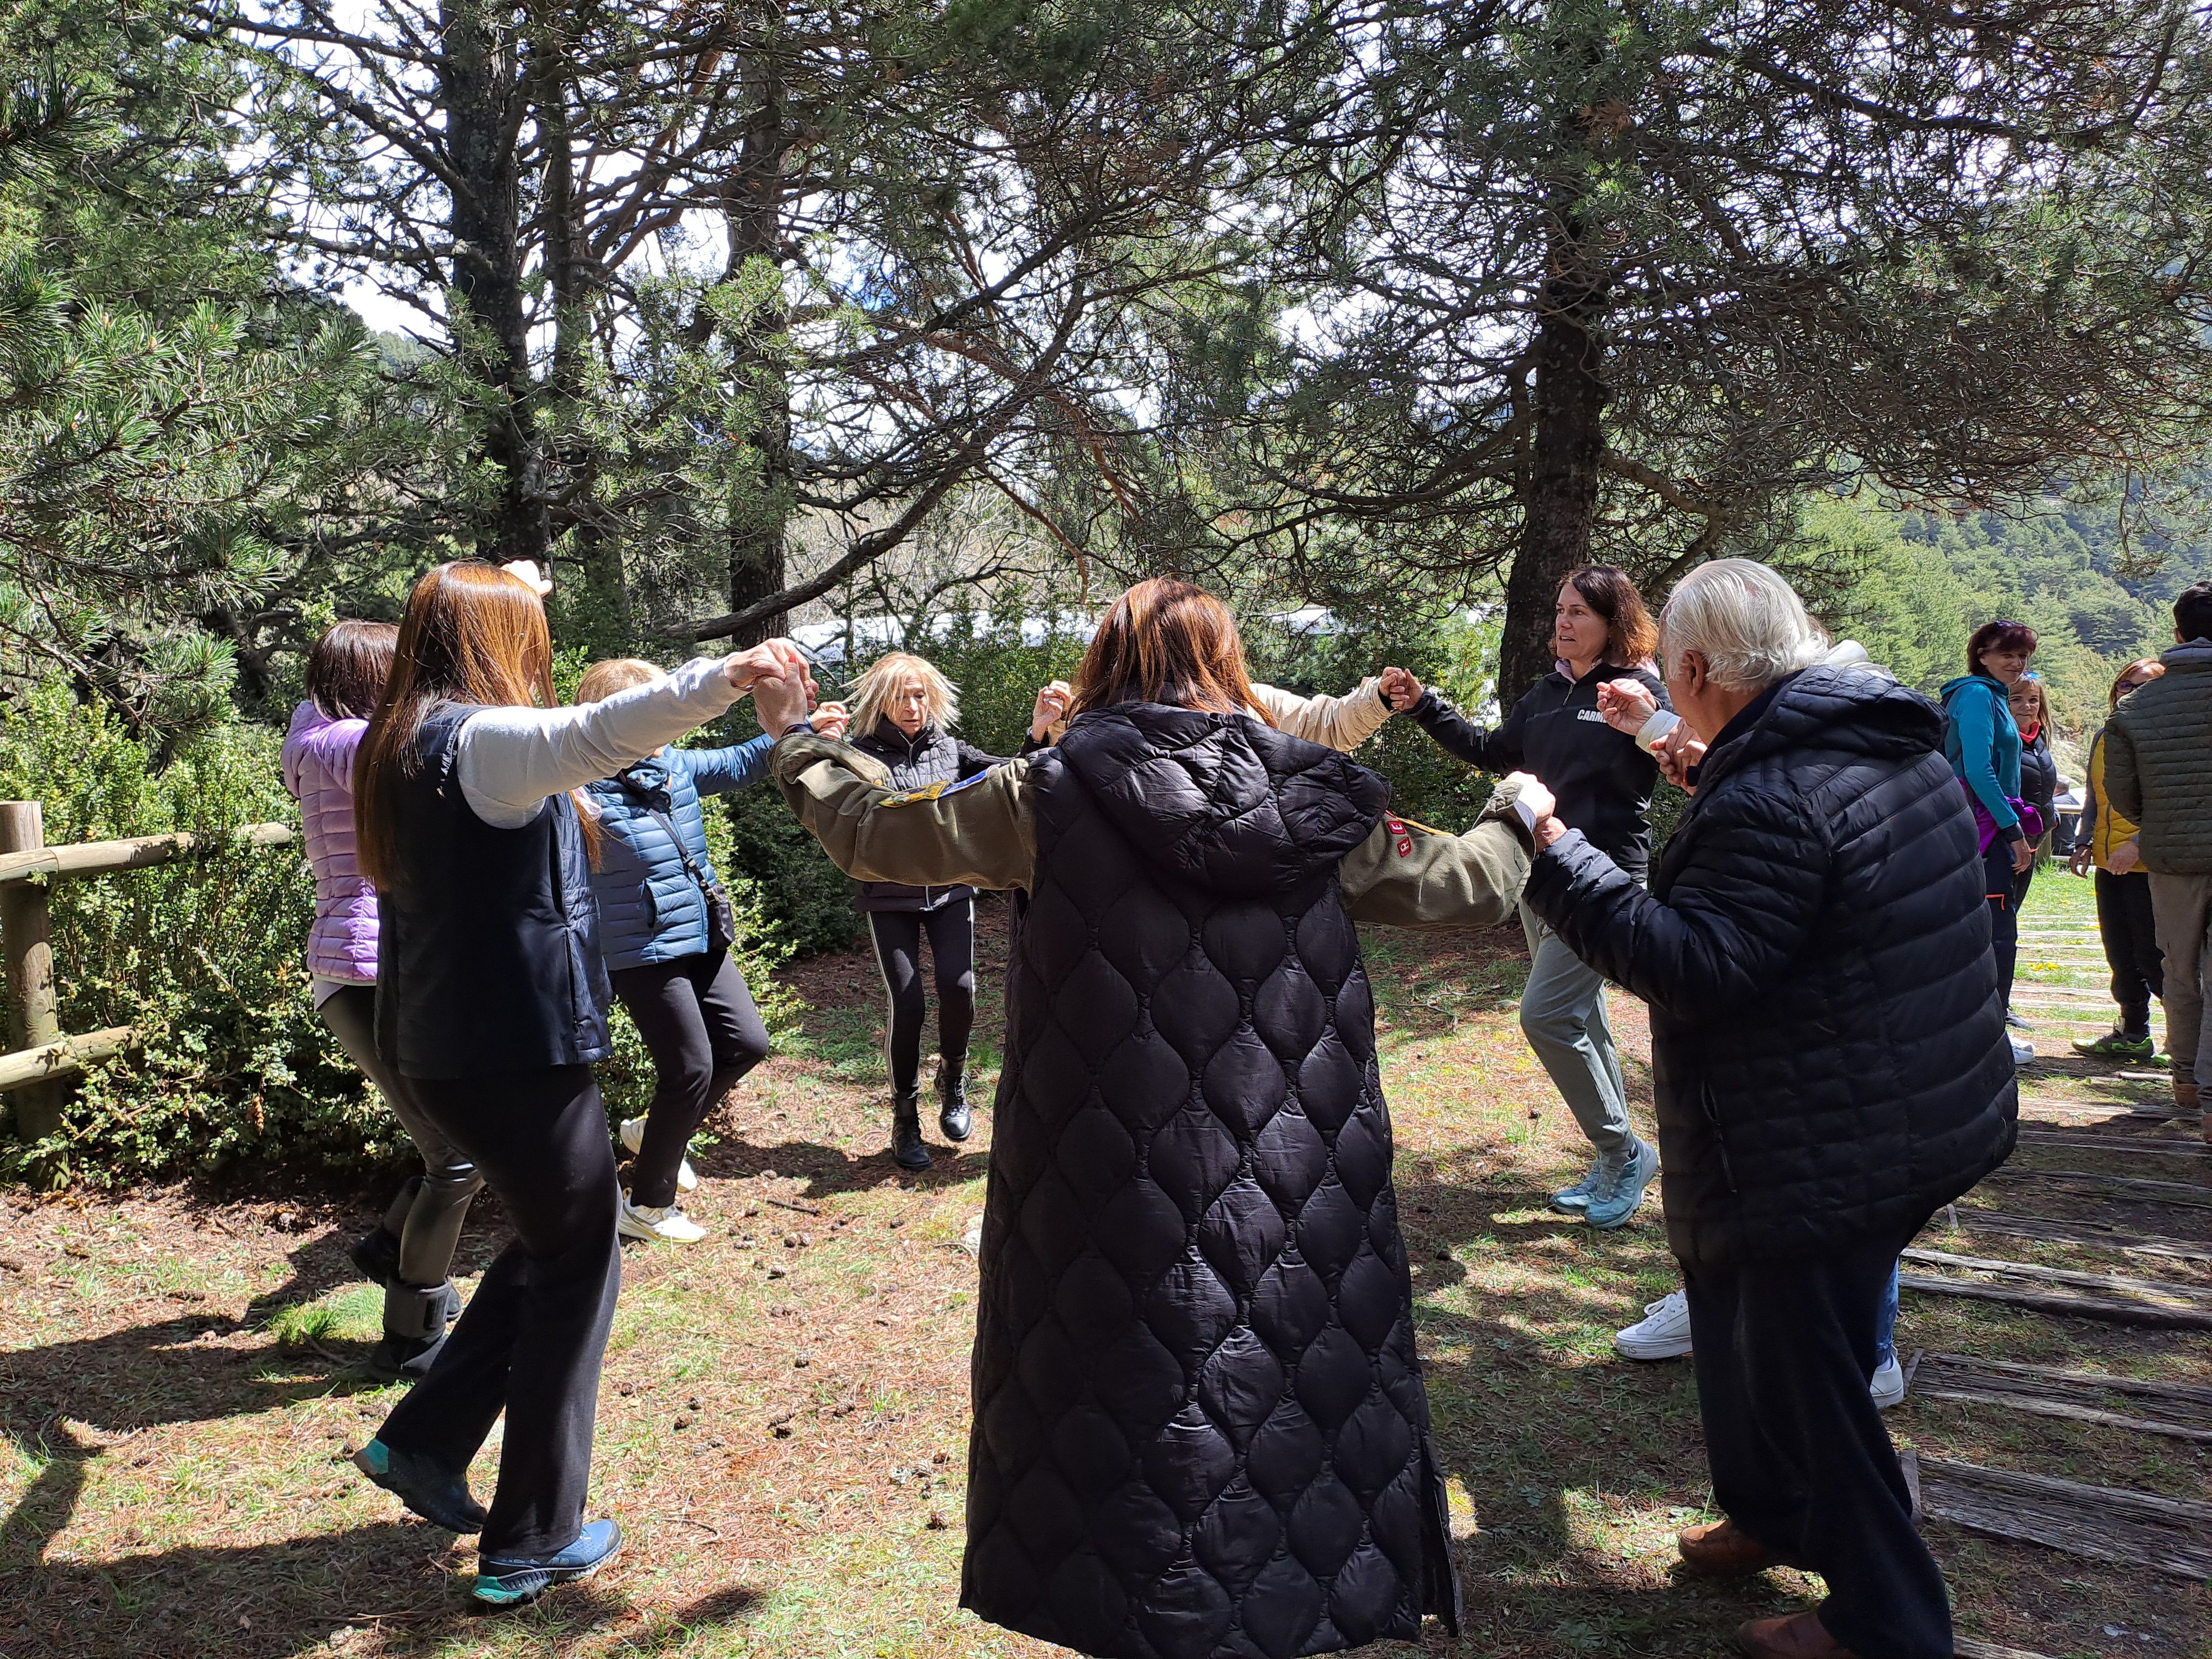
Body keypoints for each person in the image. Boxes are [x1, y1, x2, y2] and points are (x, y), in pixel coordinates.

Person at [760, 577, 1543, 1659]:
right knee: (1279, 1393)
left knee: (1116, 1405)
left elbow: (881, 838)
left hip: (1098, 1181)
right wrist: (1517, 815)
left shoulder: (1048, 789)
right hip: (1292, 1177)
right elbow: (1465, 882)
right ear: (1228, 665)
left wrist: (800, 739)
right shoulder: (1320, 798)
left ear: (1101, 668)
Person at [1521, 560, 2016, 1659]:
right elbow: (1788, 842)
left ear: (1694, 667)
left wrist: (1555, 856)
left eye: (1673, 683)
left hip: (1830, 1133)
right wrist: (1672, 746)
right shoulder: (1871, 732)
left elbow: (1694, 963)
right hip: (1909, 1091)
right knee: (1736, 1311)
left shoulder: (1775, 799)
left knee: (1805, 1363)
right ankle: (1766, 1513)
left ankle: (1889, 1620)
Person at [346, 560, 805, 1605]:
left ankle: (422, 1441)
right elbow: (596, 735)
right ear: (497, 647)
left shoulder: (403, 740)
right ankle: (532, 1540)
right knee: (578, 1266)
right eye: (528, 634)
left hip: (455, 1048)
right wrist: (729, 673)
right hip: (511, 1051)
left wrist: (512, 583)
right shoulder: (482, 744)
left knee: (565, 1239)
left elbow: (541, 706)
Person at [1384, 566, 1669, 1228]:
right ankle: (1617, 1156)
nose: (1563, 624)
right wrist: (1427, 706)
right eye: (1560, 610)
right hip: (1537, 878)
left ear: (1613, 624)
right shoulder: (1545, 694)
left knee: (1545, 1017)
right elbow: (1493, 751)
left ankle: (1622, 1151)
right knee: (1583, 1020)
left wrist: (1648, 717)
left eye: (1579, 614)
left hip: (1603, 881)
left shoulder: (1631, 692)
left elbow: (1672, 752)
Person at [575, 659, 847, 1242]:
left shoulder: (670, 765)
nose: (668, 725)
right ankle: (646, 1207)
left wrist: (804, 731)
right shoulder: (579, 789)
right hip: (639, 950)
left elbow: (742, 761)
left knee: (746, 1044)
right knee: (690, 1068)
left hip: (700, 934)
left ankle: (654, 1134)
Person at [283, 621, 484, 1381]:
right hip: (366, 971)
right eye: (400, 670)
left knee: (454, 1151)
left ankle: (384, 1249)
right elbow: (423, 747)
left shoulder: (318, 732)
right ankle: (410, 1335)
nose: (414, 682)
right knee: (456, 1158)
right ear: (370, 678)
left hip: (365, 968)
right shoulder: (343, 747)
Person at [843, 651, 1017, 1170]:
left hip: (950, 892)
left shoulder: (950, 749)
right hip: (888, 896)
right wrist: (817, 744)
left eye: (920, 695)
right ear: (881, 700)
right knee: (909, 1002)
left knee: (960, 989)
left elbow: (1013, 775)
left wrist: (1041, 735)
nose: (912, 706)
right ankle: (905, 1118)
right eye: (901, 696)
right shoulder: (859, 755)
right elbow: (822, 795)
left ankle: (955, 1082)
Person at [2104, 580, 2212, 1127]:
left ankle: (2188, 1079)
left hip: (2172, 858)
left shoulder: (2136, 709)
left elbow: (2123, 795)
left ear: (2176, 634)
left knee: (2179, 968)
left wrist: (2163, 821)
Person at [1940, 621, 2040, 1063]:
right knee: (1997, 936)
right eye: (2008, 654)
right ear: (1982, 654)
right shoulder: (1979, 695)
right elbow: (1979, 771)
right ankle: (1989, 1042)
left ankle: (1977, 1035)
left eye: (2024, 657)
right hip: (1984, 830)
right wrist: (2013, 830)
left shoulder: (1987, 695)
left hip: (1980, 826)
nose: (2018, 664)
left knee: (1986, 932)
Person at [2070, 659, 2167, 1062]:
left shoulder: (2167, 738)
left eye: (2143, 686)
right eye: (2125, 685)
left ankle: (2189, 1043)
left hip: (2152, 865)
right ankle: (2133, 1033)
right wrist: (2084, 842)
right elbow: (2094, 799)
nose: (2130, 692)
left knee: (2155, 955)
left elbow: (2171, 804)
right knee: (2119, 951)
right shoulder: (2104, 735)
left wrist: (2139, 845)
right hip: (2110, 862)